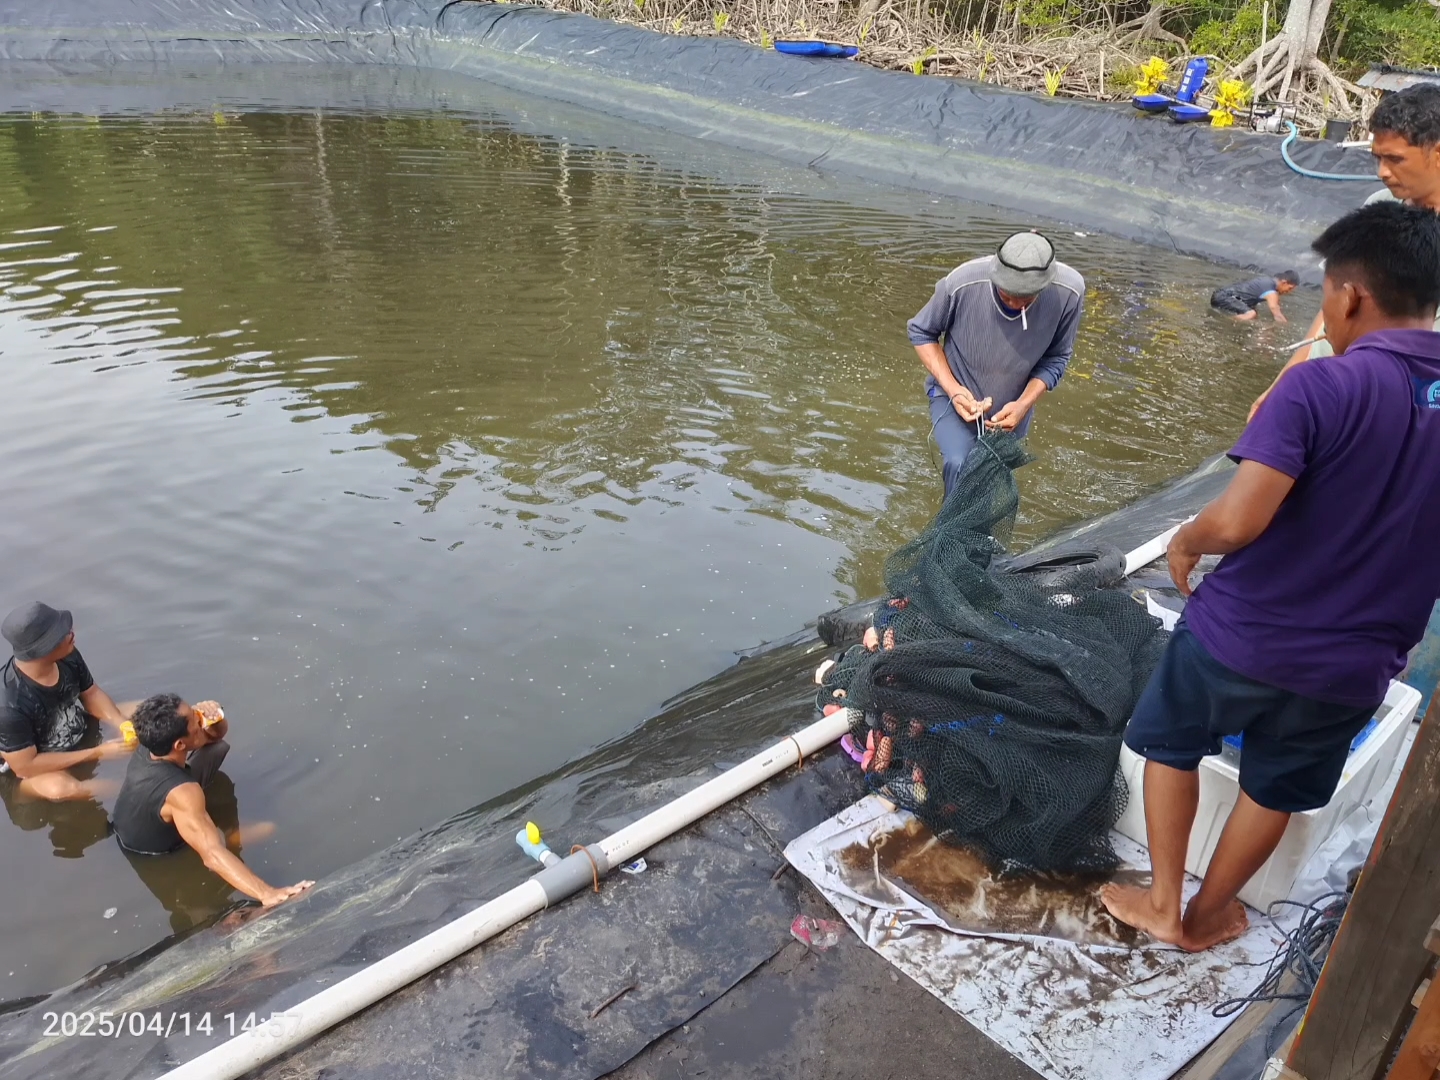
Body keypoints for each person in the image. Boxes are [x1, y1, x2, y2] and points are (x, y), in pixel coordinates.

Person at [1103, 201, 1440, 952]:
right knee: (1275, 787)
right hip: (1354, 665)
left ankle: (1164, 903)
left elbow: (1237, 522)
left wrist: (1186, 541)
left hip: (1242, 635)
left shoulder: (1320, 386)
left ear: (1350, 295)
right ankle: (1209, 915)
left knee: (1171, 745)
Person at [1250, 83, 1440, 419]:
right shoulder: (1380, 207)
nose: (1382, 172)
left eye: (1395, 159)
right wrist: (1285, 381)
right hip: (1325, 387)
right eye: (1378, 157)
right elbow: (1332, 305)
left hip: (1389, 409)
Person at [907, 230, 1084, 496]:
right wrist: (954, 390)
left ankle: (976, 521)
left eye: (1025, 299)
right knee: (959, 463)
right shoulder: (961, 282)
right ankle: (955, 523)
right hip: (954, 395)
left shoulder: (1069, 292)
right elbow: (921, 332)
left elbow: (1057, 357)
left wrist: (1023, 405)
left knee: (991, 480)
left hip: (1013, 410)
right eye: (1006, 295)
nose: (1014, 304)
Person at [112, 693, 312, 908]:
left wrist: (215, 719)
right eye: (196, 720)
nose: (200, 718)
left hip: (142, 812)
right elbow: (211, 854)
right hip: (160, 851)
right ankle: (227, 837)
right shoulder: (182, 792)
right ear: (179, 744)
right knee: (267, 829)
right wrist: (268, 893)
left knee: (216, 749)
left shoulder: (152, 744)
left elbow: (215, 737)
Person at [0, 602, 132, 802]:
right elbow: (25, 766)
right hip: (35, 766)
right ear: (41, 650)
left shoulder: (67, 655)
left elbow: (92, 694)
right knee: (61, 788)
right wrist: (97, 752)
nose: (71, 634)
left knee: (151, 710)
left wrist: (119, 722)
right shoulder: (9, 706)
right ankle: (138, 793)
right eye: (61, 634)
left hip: (74, 725)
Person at [1209, 271, 1298, 322]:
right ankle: (1224, 321)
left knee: (1254, 315)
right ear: (1284, 282)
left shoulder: (1267, 282)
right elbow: (1276, 313)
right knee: (1251, 314)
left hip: (1222, 295)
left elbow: (1277, 307)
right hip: (1223, 297)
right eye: (1289, 288)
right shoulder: (1270, 290)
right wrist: (1285, 327)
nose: (1288, 291)